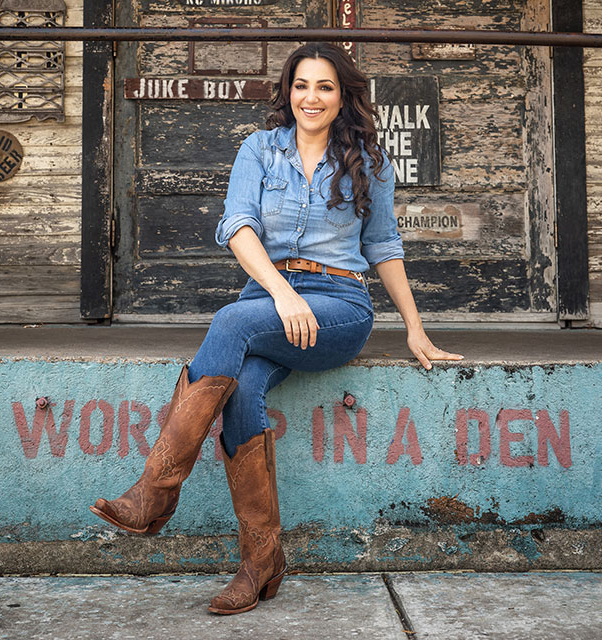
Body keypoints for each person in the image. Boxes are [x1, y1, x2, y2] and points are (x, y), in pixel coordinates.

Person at [90, 42, 463, 615]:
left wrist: (415, 328)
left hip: (339, 305)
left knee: (230, 322)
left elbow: (384, 247)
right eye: (301, 85)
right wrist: (284, 294)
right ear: (288, 92)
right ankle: (260, 563)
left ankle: (155, 493)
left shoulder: (369, 159)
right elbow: (237, 226)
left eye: (325, 87)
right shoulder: (260, 150)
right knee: (244, 394)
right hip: (271, 304)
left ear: (343, 97)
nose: (311, 97)